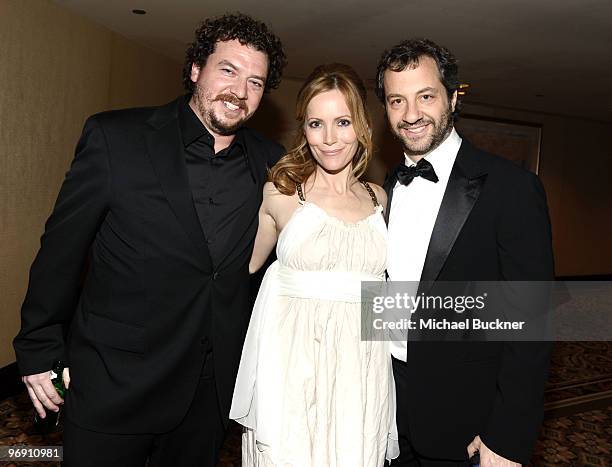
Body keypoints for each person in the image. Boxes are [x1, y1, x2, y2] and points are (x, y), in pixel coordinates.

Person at [13, 12, 286, 467]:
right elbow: (62, 249)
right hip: (115, 382)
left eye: (256, 82)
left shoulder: (271, 163)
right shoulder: (115, 137)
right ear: (196, 69)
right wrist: (38, 347)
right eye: (228, 70)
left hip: (208, 391)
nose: (240, 91)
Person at [377, 39, 554, 466]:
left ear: (453, 98)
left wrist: (507, 437)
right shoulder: (384, 188)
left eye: (425, 96)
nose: (411, 114)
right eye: (397, 100)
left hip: (468, 427)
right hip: (384, 412)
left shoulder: (512, 188)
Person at [230, 63, 399, 466]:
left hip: (361, 367)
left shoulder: (381, 198)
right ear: (303, 129)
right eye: (315, 124)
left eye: (342, 122)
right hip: (292, 366)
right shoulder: (282, 193)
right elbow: (240, 270)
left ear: (360, 125)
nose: (329, 139)